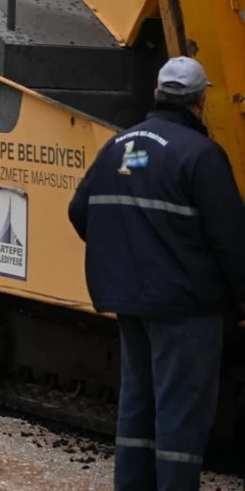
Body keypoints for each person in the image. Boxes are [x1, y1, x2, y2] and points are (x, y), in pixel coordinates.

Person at [68, 56, 245, 491]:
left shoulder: (118, 145)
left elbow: (79, 211)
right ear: (201, 100)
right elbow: (231, 240)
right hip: (185, 307)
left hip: (129, 300)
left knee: (137, 404)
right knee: (181, 412)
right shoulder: (201, 155)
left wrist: (128, 256)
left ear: (157, 94)